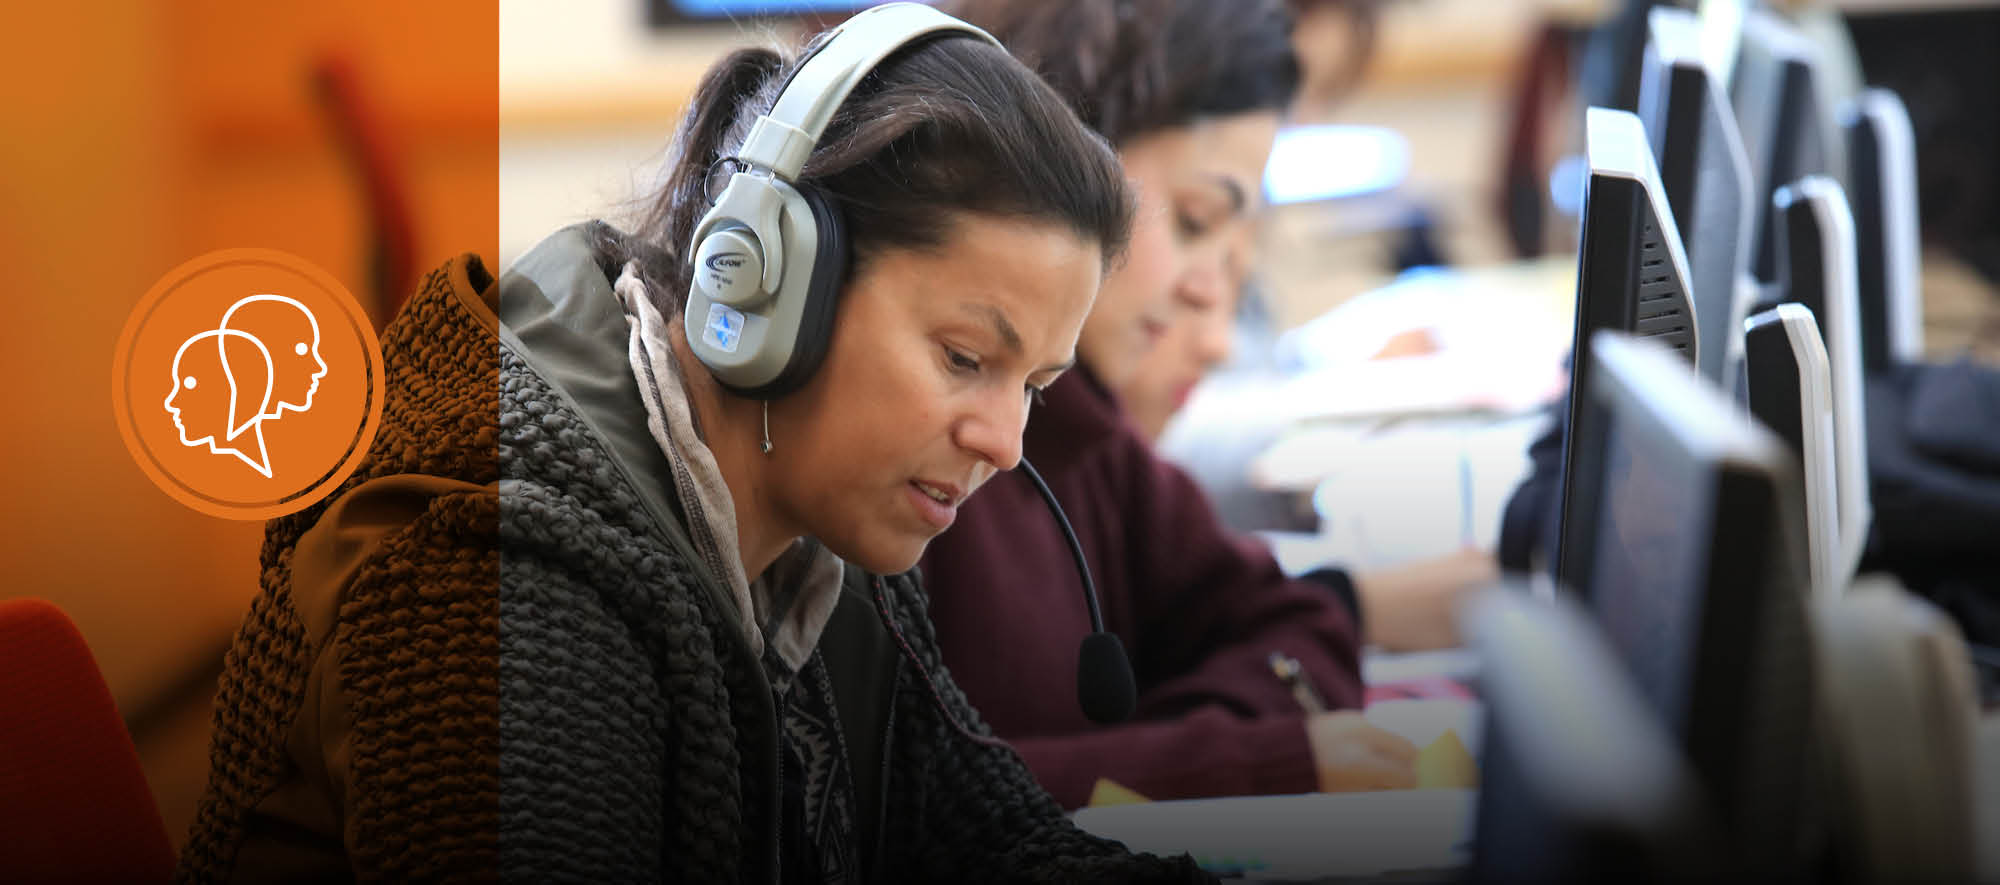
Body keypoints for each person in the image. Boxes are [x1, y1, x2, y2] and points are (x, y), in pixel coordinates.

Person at [176, 6, 1213, 881]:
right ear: (765, 286)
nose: (1001, 441)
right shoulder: (498, 569)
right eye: (961, 358)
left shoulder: (822, 537)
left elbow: (998, 849)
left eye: (1032, 384)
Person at [918, 0, 1443, 811]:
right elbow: (910, 808)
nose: (1212, 307)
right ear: (1065, 164)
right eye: (1196, 222)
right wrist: (1233, 761)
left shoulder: (1088, 434)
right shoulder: (927, 456)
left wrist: (1166, 752)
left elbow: (1296, 626)